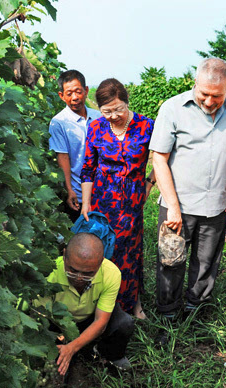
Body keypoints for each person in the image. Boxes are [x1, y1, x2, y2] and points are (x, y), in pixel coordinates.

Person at [150, 57, 226, 337]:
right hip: (177, 204)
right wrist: (172, 205)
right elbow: (159, 159)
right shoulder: (173, 108)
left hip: (214, 205)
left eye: (216, 96)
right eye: (203, 94)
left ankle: (196, 310)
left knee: (207, 262)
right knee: (171, 261)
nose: (208, 101)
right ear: (195, 84)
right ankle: (168, 314)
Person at [80, 78, 155, 319]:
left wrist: (149, 183)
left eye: (118, 109)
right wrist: (85, 203)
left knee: (130, 252)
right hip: (102, 200)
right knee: (104, 250)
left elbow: (165, 157)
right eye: (107, 111)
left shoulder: (147, 125)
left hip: (132, 200)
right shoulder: (96, 128)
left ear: (126, 102)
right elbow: (88, 168)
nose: (113, 116)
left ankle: (132, 303)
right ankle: (103, 304)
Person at [34, 232, 135, 374]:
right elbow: (41, 317)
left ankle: (109, 354)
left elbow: (101, 321)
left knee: (124, 323)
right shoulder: (49, 273)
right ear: (64, 256)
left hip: (90, 318)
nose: (79, 278)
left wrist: (72, 348)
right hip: (58, 322)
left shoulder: (111, 273)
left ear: (100, 263)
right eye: (72, 270)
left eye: (88, 273)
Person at [49, 70, 101, 222]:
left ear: (86, 91)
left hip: (103, 190)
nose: (75, 97)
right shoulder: (59, 122)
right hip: (77, 192)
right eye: (69, 93)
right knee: (79, 238)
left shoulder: (99, 117)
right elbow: (63, 157)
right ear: (61, 96)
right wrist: (69, 190)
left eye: (78, 91)